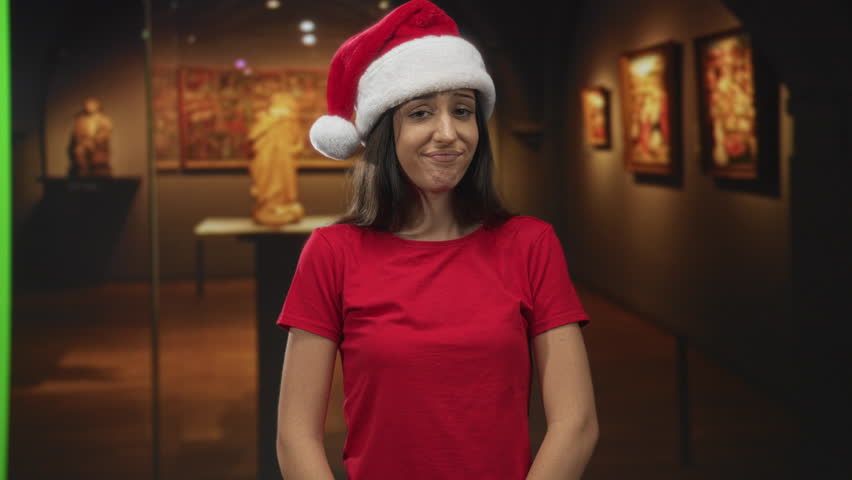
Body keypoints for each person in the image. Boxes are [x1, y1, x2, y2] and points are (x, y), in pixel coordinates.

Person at [275, 1, 598, 479]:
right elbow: (295, 437)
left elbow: (576, 423)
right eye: (421, 112)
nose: (448, 133)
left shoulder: (530, 245)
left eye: (463, 111)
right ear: (386, 132)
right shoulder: (332, 253)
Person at [248, 91, 306, 226]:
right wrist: (272, 120)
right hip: (266, 159)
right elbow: (253, 137)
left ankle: (282, 206)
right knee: (267, 182)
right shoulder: (264, 120)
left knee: (284, 183)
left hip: (284, 160)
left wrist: (293, 149)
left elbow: (298, 143)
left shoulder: (290, 122)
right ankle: (268, 207)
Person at [67, 97, 113, 177]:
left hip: (98, 147)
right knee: (79, 153)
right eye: (87, 104)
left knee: (98, 165)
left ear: (97, 106)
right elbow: (76, 134)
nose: (88, 106)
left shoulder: (104, 119)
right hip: (83, 146)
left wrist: (95, 141)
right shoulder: (80, 120)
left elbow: (106, 133)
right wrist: (83, 143)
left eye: (91, 104)